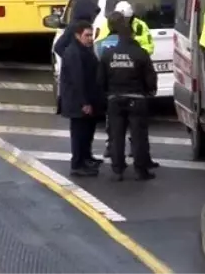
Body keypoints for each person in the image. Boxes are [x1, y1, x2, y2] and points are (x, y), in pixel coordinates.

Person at [98, 13, 157, 181]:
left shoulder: (108, 54)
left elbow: (100, 79)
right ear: (132, 35)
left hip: (114, 99)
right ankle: (141, 169)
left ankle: (118, 169)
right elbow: (150, 78)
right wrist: (149, 92)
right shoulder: (140, 53)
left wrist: (106, 95)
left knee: (116, 136)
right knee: (139, 137)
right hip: (136, 98)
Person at [58, 20, 104, 177]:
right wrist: (84, 103)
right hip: (77, 102)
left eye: (91, 35)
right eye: (87, 35)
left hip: (88, 99)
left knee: (87, 132)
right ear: (78, 35)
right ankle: (77, 164)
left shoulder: (85, 49)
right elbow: (77, 80)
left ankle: (86, 158)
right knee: (79, 134)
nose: (90, 38)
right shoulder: (74, 53)